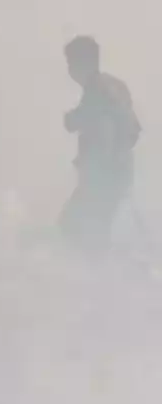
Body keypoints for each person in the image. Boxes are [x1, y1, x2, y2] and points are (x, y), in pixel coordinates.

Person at [59, 35, 141, 255]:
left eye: (70, 63)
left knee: (74, 224)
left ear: (82, 63)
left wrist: (72, 120)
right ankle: (97, 272)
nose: (69, 70)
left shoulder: (96, 89)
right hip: (118, 171)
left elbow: (94, 123)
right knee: (93, 225)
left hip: (104, 174)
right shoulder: (113, 85)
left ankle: (93, 275)